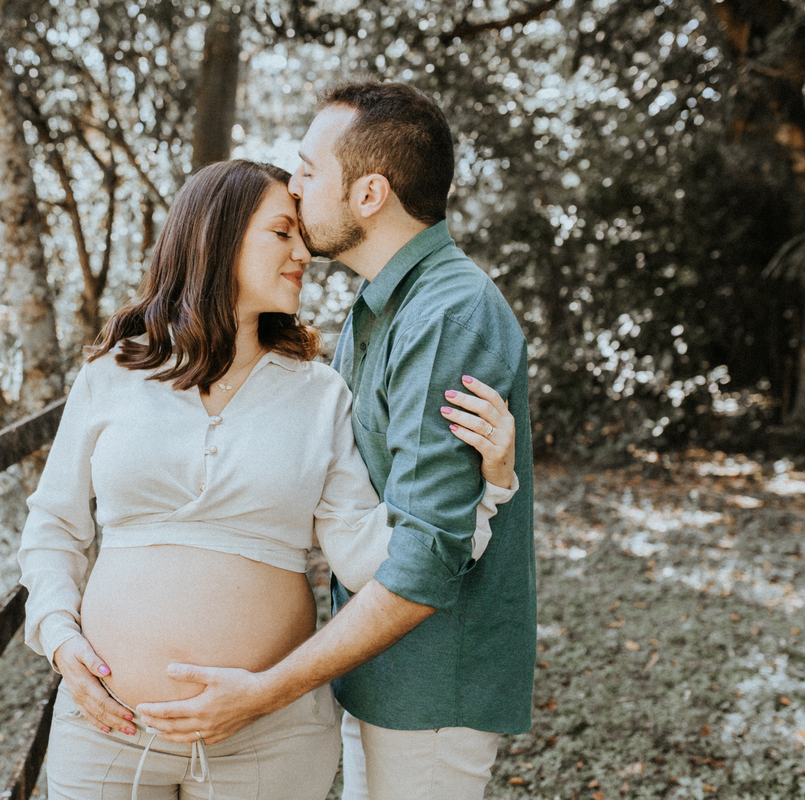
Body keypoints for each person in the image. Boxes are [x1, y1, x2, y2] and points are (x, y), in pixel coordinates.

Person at [17, 158, 519, 800]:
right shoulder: (113, 374)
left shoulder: (318, 393)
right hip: (107, 731)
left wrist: (486, 487)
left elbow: (367, 556)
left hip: (270, 740)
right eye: (282, 233)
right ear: (216, 237)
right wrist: (59, 637)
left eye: (300, 237)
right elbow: (54, 525)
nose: (303, 253)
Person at [133, 82, 536, 800]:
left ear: (370, 193)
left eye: (310, 169)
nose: (294, 186)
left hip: (428, 686)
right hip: (373, 670)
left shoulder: (447, 315)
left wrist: (265, 691)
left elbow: (426, 559)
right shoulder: (379, 309)